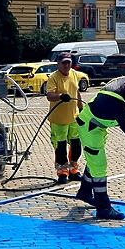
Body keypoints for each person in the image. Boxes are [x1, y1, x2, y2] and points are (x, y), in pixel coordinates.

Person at [75, 73, 125, 220]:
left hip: (96, 127)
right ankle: (103, 208)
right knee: (99, 165)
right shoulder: (116, 101)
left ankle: (84, 192)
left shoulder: (124, 81)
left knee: (94, 160)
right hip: (89, 128)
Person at [45, 52, 84, 184]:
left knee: (76, 147)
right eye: (64, 63)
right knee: (61, 148)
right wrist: (60, 96)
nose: (66, 65)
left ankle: (73, 170)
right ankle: (62, 172)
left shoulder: (74, 74)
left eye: (68, 62)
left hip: (74, 117)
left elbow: (76, 91)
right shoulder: (53, 77)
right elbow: (49, 95)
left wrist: (81, 107)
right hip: (59, 120)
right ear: (58, 64)